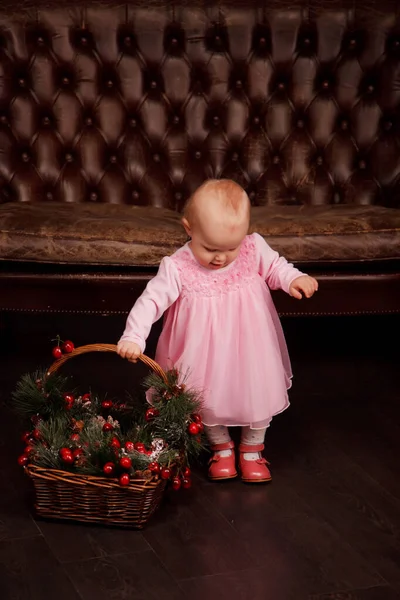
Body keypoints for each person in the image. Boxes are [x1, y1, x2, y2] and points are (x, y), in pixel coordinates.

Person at [117, 179, 318, 483]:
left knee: (258, 391)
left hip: (250, 344)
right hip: (201, 352)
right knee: (203, 396)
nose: (221, 258)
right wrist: (134, 336)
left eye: (230, 248)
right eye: (210, 248)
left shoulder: (253, 248)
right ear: (189, 229)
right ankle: (221, 446)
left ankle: (252, 449)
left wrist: (293, 279)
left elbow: (275, 266)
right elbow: (151, 301)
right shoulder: (177, 266)